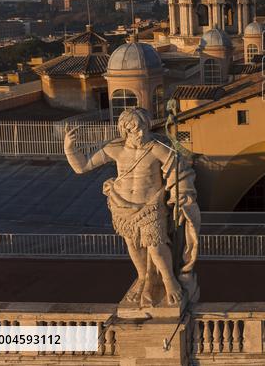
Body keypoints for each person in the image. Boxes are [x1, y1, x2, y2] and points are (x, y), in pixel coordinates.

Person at [64, 108, 199, 306]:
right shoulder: (115, 148)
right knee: (133, 246)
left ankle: (169, 280)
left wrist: (181, 193)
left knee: (156, 246)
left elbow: (180, 170)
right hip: (122, 206)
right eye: (134, 130)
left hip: (150, 206)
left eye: (143, 128)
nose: (140, 133)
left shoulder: (156, 148)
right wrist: (70, 148)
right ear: (124, 130)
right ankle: (143, 278)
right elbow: (82, 167)